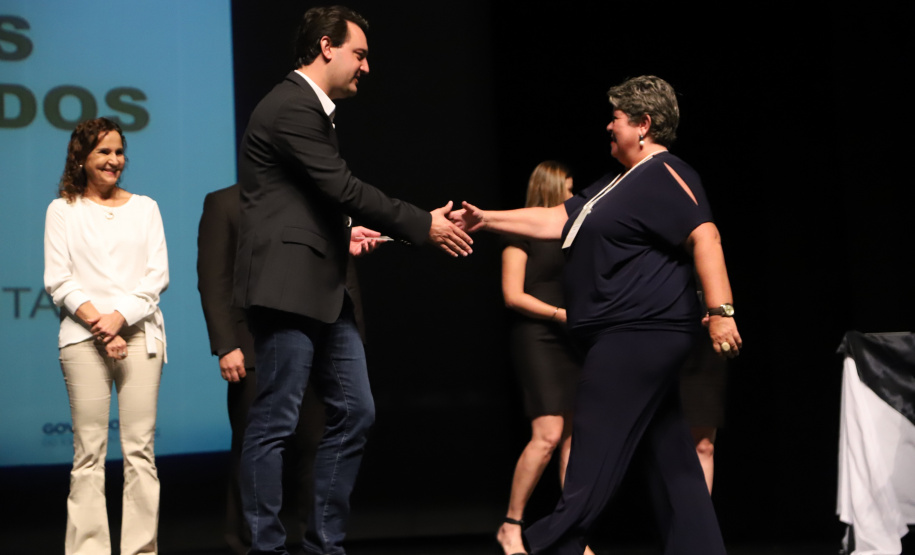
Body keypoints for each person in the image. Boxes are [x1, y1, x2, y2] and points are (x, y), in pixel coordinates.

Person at [452, 75, 741, 555]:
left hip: (636, 338)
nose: (608, 127)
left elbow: (705, 236)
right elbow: (557, 218)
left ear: (644, 125)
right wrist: (486, 219)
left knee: (588, 470)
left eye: (617, 119)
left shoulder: (668, 174)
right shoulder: (616, 183)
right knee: (676, 465)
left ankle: (550, 546)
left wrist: (721, 310)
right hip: (631, 338)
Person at [232, 6, 473, 555]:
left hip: (323, 286)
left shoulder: (311, 111)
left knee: (357, 410)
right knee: (276, 421)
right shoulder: (292, 104)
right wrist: (422, 224)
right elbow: (341, 185)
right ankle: (267, 547)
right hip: (287, 287)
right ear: (326, 47)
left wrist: (345, 234)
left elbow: (309, 199)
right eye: (359, 54)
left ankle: (324, 545)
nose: (367, 67)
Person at [196, 184, 380, 554]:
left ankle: (317, 542)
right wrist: (226, 344)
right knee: (258, 442)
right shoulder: (227, 202)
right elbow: (214, 279)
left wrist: (354, 338)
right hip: (254, 346)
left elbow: (343, 276)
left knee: (317, 445)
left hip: (323, 341)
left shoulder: (319, 200)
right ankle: (250, 545)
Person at [44, 117, 168, 555]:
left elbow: (156, 278)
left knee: (140, 453)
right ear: (82, 158)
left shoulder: (146, 207)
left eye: (118, 151)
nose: (114, 160)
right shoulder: (63, 210)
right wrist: (102, 326)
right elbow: (58, 281)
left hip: (139, 336)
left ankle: (140, 551)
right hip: (82, 340)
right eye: (104, 152)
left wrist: (120, 320)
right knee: (89, 453)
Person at [496, 161, 591, 555]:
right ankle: (511, 524)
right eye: (568, 189)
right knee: (548, 435)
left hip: (572, 340)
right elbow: (512, 295)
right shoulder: (519, 238)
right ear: (552, 189)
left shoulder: (572, 238)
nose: (573, 196)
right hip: (538, 337)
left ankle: (572, 533)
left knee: (572, 440)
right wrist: (559, 315)